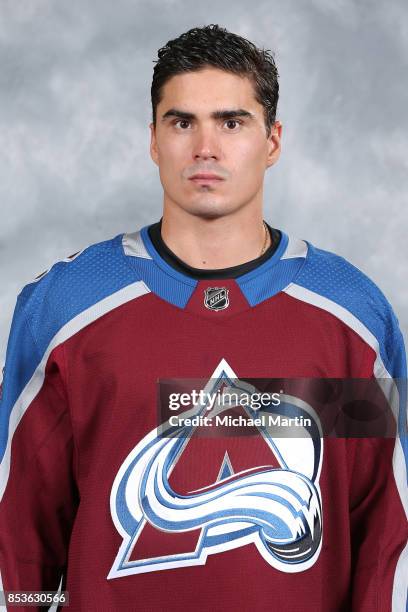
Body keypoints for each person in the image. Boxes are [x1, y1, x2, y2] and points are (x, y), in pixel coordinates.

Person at [0, 23, 407, 612]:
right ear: (153, 140)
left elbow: (386, 536)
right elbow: (21, 538)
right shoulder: (67, 309)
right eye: (182, 122)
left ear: (272, 141)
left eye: (232, 121)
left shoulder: (350, 317)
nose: (205, 148)